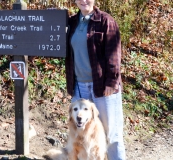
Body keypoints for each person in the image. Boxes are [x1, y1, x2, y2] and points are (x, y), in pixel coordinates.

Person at [65, 0, 126, 159]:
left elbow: (114, 56)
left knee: (111, 135)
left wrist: (111, 83)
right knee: (80, 133)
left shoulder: (106, 21)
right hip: (80, 86)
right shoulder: (72, 22)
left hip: (103, 87)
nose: (84, 1)